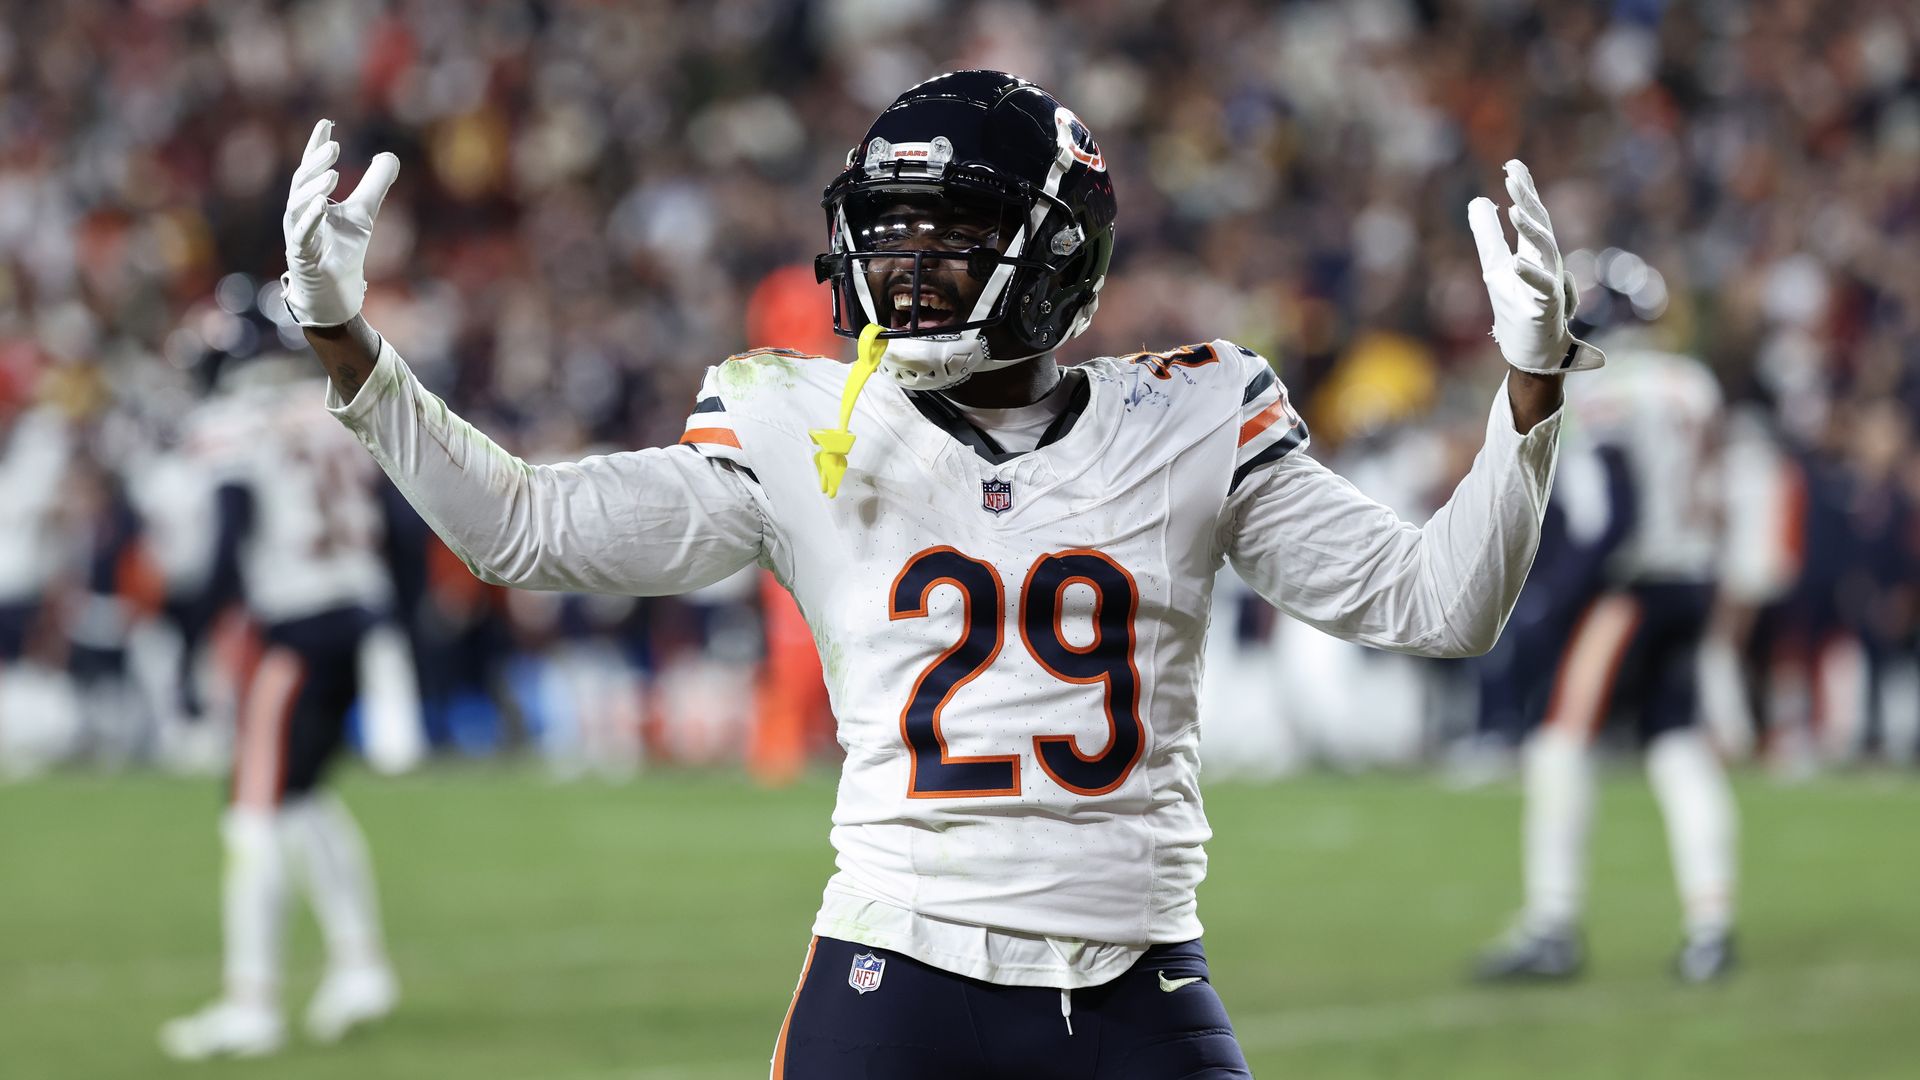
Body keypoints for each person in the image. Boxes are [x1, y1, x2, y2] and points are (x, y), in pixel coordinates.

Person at [280, 70, 1600, 1078]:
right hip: (895, 976)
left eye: (950, 233)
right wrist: (348, 345)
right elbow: (524, 531)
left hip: (1136, 981)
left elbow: (1444, 603)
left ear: (1060, 250)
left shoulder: (1198, 411)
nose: (904, 267)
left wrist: (1530, 387)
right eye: (889, 230)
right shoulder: (798, 418)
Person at [158, 343, 414, 1059]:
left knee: (252, 814)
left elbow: (230, 538)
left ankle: (252, 1002)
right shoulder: (337, 409)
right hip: (360, 619)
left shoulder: (240, 422)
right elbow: (395, 524)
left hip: (299, 633)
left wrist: (195, 646)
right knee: (299, 799)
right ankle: (361, 963)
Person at [1471, 304, 1738, 984]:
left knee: (1559, 741)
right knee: (1677, 744)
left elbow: (1616, 510)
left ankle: (1551, 923)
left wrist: (1556, 602)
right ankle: (1711, 926)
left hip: (1633, 589)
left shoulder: (1609, 387)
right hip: (1692, 579)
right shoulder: (1694, 381)